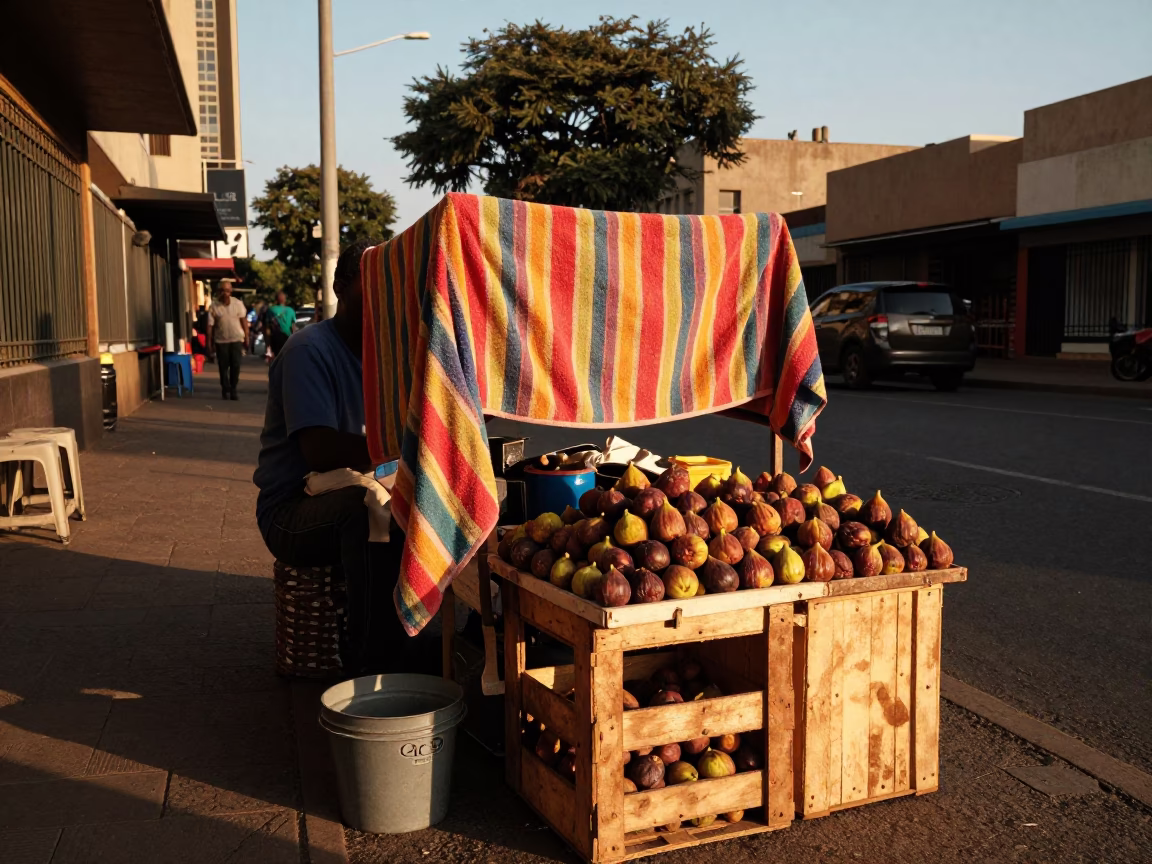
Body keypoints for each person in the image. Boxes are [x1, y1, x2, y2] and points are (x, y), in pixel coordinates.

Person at [253, 238, 402, 674]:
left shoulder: (388, 353)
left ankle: (454, 632)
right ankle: (370, 655)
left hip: (358, 483)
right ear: (340, 287)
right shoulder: (308, 351)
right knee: (365, 510)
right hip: (291, 511)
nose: (381, 299)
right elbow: (319, 450)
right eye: (369, 287)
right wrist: (405, 447)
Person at [207, 279, 249, 400]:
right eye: (222, 291)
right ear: (218, 292)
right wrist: (209, 344)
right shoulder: (214, 306)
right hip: (221, 341)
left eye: (227, 290)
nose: (225, 293)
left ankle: (233, 388)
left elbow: (244, 322)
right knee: (223, 366)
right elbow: (210, 326)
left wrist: (247, 337)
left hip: (236, 340)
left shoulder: (238, 304)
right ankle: (225, 388)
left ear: (231, 291)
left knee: (236, 365)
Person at [264, 291, 297, 357]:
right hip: (287, 338)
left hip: (275, 338)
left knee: (277, 358)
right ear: (285, 299)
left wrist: (267, 342)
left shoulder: (271, 310)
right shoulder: (291, 310)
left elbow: (267, 327)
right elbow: (293, 327)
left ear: (276, 299)